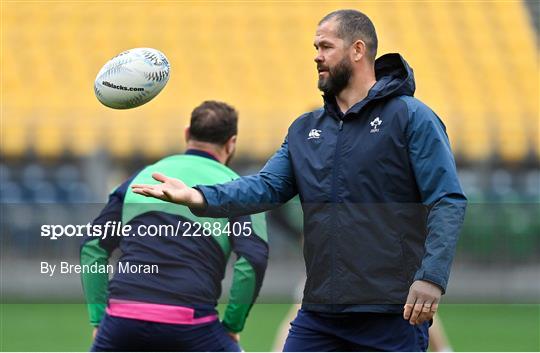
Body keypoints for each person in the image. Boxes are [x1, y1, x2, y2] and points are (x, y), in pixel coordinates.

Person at [132, 9, 467, 352]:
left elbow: (447, 200)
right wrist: (199, 197)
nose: (317, 56)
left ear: (357, 50)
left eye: (326, 46)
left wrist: (431, 277)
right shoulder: (305, 129)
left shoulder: (412, 117)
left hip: (390, 315)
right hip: (321, 315)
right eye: (315, 47)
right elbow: (265, 187)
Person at [81, 101, 269, 351]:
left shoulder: (140, 179)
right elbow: (252, 261)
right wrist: (233, 326)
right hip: (192, 323)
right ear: (231, 143)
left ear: (187, 134)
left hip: (121, 321)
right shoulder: (239, 190)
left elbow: (93, 248)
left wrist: (99, 319)